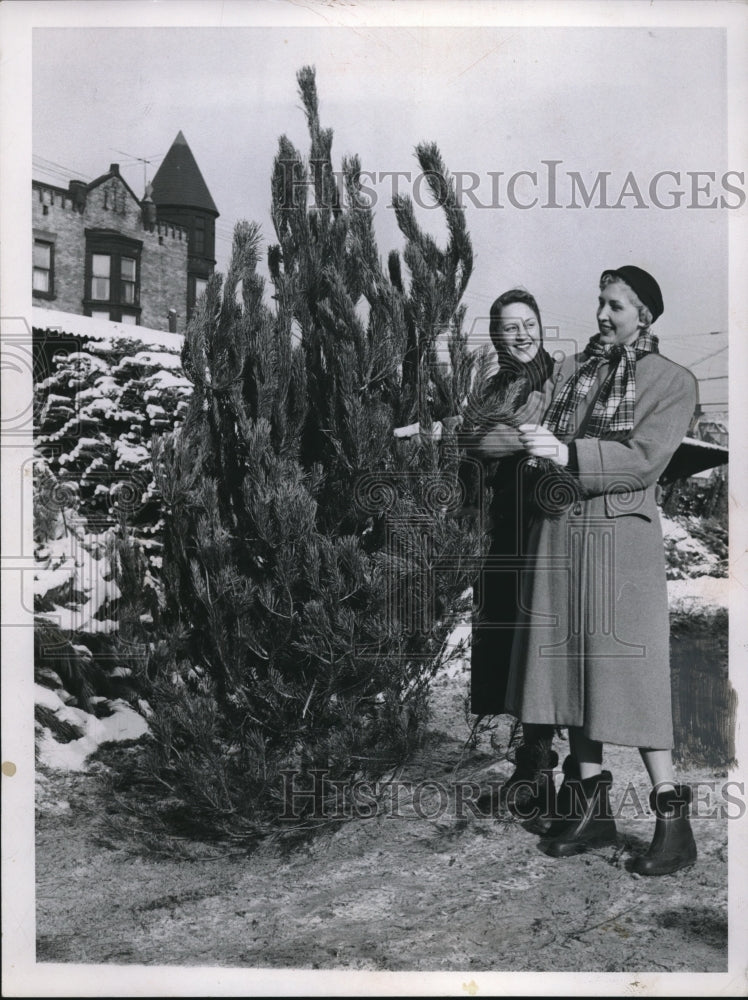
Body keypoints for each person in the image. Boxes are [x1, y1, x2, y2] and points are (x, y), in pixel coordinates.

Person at [503, 265, 698, 875]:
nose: (603, 316)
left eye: (616, 306)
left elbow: (643, 461)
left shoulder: (671, 381)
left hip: (620, 547)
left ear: (645, 315)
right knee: (570, 677)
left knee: (628, 680)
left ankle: (674, 821)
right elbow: (522, 420)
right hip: (561, 535)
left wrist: (566, 452)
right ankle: (591, 809)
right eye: (600, 303)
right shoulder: (573, 373)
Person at [460, 289, 563, 823]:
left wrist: (486, 436)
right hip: (500, 526)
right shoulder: (496, 384)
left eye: (529, 323)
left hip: (541, 523)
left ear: (541, 327)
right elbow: (481, 439)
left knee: (539, 645)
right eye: (508, 327)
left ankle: (544, 772)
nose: (521, 334)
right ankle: (529, 770)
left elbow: (496, 440)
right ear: (496, 336)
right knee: (504, 644)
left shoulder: (557, 379)